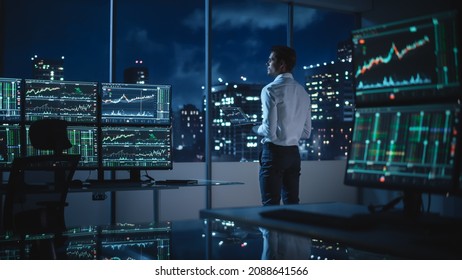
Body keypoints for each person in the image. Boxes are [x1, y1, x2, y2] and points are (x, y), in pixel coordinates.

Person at [253, 45, 312, 260]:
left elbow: (268, 130)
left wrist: (253, 127)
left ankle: (270, 267)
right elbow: (306, 133)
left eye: (270, 60)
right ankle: (293, 263)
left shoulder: (270, 90)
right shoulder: (304, 93)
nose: (267, 64)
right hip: (293, 155)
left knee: (270, 211)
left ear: (282, 64)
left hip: (274, 153)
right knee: (292, 208)